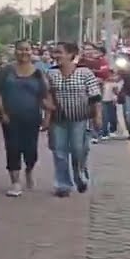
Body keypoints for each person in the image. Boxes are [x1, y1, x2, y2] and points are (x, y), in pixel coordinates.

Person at [45, 42, 102, 198]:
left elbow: (95, 96)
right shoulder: (51, 73)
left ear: (71, 55)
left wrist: (98, 116)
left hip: (80, 118)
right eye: (54, 53)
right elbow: (47, 94)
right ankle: (63, 185)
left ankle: (80, 175)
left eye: (60, 52)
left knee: (78, 150)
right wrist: (47, 117)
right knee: (59, 151)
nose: (56, 56)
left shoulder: (84, 73)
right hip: (59, 119)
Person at [0, 40, 48, 197]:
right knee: (13, 148)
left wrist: (48, 117)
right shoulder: (6, 71)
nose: (24, 52)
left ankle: (29, 170)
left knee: (31, 150)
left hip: (32, 117)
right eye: (20, 50)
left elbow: (44, 97)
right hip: (10, 117)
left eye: (27, 49)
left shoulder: (38, 72)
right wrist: (2, 113)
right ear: (15, 51)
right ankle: (15, 182)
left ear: (32, 52)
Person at [99, 70, 120, 140]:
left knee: (113, 117)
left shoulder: (114, 83)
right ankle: (104, 133)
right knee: (105, 118)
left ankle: (112, 130)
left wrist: (116, 96)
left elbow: (117, 92)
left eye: (111, 75)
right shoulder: (101, 82)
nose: (110, 76)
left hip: (111, 101)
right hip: (103, 101)